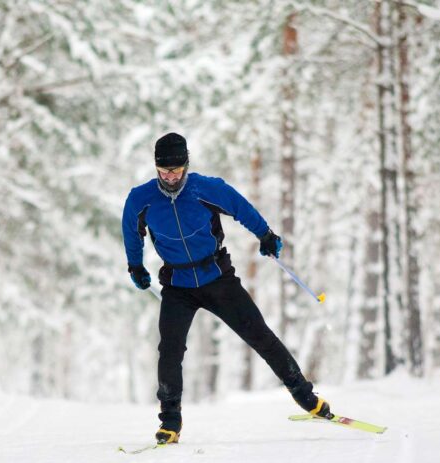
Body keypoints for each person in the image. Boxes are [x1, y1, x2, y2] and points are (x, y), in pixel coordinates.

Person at [121, 132, 333, 444]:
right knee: (169, 350)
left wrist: (266, 235)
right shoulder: (141, 199)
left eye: (176, 171)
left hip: (217, 276)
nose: (170, 178)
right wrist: (135, 266)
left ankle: (307, 397)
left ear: (186, 166)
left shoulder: (206, 189)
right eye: (164, 172)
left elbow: (241, 208)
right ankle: (170, 422)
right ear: (156, 169)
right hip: (177, 285)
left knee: (259, 335)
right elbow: (131, 231)